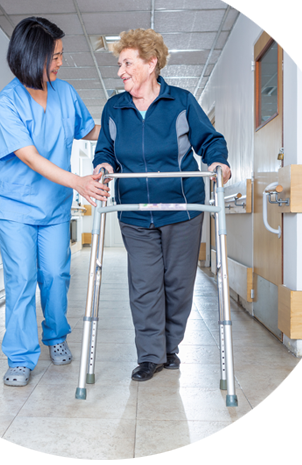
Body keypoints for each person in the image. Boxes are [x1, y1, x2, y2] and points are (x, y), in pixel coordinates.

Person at [93, 28, 231, 382]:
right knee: (144, 284)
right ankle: (151, 356)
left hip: (182, 209)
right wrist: (104, 166)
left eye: (127, 63)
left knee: (178, 284)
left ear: (151, 63)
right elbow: (105, 150)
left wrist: (218, 162)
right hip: (135, 211)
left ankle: (171, 345)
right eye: (120, 64)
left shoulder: (181, 102)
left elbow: (209, 140)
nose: (121, 71)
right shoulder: (115, 107)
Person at [0, 17, 110, 387]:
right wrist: (79, 181)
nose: (60, 62)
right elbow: (30, 157)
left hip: (54, 207)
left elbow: (89, 129)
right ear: (31, 56)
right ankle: (21, 357)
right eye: (54, 56)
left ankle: (56, 336)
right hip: (15, 207)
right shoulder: (6, 105)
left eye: (61, 55)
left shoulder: (66, 93)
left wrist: (128, 127)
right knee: (22, 278)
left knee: (57, 275)